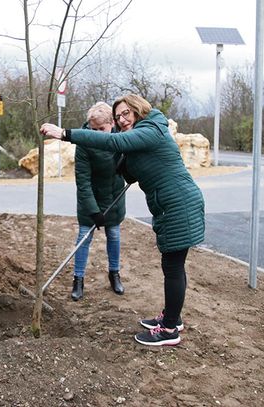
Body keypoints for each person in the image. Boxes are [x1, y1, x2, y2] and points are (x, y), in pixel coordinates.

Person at [40, 94, 205, 347]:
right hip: (170, 205)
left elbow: (117, 142)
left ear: (138, 109)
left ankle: (169, 329)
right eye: (118, 116)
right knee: (173, 265)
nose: (122, 118)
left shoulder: (151, 127)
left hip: (179, 204)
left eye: (126, 112)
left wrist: (65, 133)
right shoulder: (137, 138)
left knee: (172, 266)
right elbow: (126, 164)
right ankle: (172, 317)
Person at [71, 102, 126, 301]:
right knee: (84, 238)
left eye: (101, 129)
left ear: (111, 123)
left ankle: (114, 273)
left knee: (114, 235)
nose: (97, 134)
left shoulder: (122, 138)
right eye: (93, 130)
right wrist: (94, 211)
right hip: (90, 200)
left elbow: (129, 164)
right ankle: (78, 279)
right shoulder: (84, 144)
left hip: (114, 198)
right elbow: (83, 182)